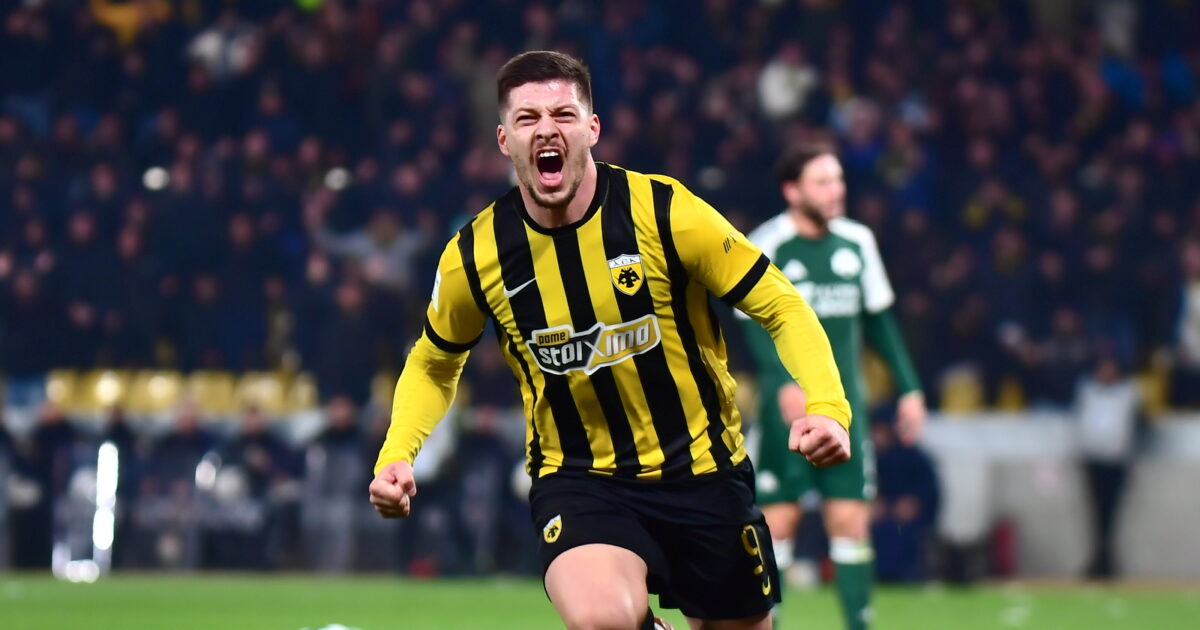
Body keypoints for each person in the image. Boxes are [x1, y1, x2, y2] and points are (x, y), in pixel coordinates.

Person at [369, 51, 851, 630]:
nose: (546, 130)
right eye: (527, 118)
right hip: (580, 479)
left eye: (563, 114)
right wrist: (397, 453)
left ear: (592, 128)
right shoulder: (476, 253)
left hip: (703, 471)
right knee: (603, 621)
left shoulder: (664, 211)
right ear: (503, 140)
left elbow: (780, 304)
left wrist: (828, 407)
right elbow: (433, 362)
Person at [739, 146, 925, 630]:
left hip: (844, 408)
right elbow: (751, 324)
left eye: (838, 180)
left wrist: (909, 389)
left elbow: (879, 322)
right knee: (777, 524)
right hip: (785, 409)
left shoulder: (857, 242)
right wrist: (783, 382)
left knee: (850, 522)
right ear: (792, 191)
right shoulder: (768, 243)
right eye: (822, 182)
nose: (835, 191)